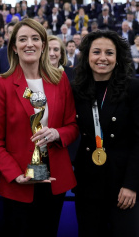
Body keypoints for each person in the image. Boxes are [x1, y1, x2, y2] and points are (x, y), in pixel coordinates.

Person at [0, 18, 78, 237]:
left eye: (35, 38)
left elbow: (73, 126)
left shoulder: (60, 79)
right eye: (23, 39)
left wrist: (57, 133)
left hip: (54, 179)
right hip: (20, 181)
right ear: (14, 48)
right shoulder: (2, 85)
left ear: (43, 45)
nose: (30, 44)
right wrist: (16, 175)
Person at [72, 30, 139, 237]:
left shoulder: (133, 87)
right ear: (87, 56)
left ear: (118, 58)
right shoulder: (76, 89)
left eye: (109, 53)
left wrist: (131, 185)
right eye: (96, 52)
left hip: (123, 187)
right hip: (87, 185)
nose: (102, 58)